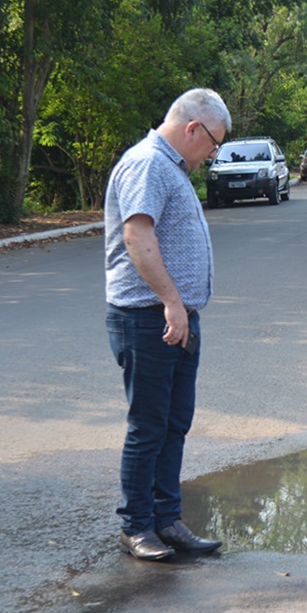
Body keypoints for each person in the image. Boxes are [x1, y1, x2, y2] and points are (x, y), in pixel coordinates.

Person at [103, 87, 232, 561]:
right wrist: (171, 303)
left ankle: (166, 519)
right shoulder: (148, 164)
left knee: (174, 423)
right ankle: (137, 526)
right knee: (149, 425)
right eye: (214, 143)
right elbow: (137, 235)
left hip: (174, 317)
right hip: (148, 318)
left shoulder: (168, 167)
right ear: (193, 129)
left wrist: (181, 308)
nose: (213, 154)